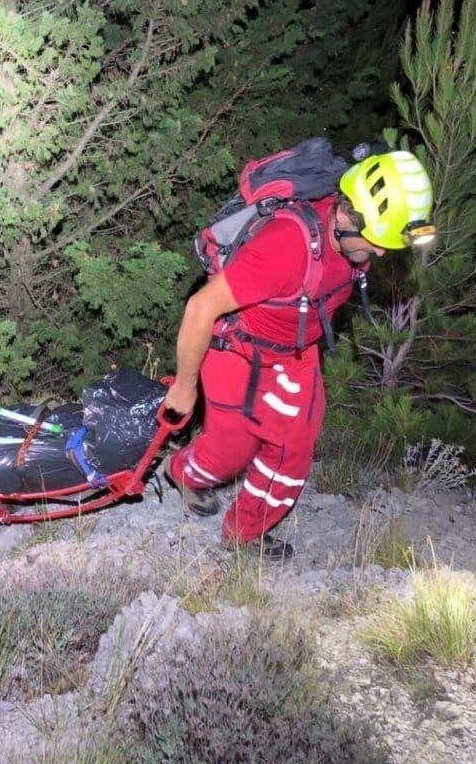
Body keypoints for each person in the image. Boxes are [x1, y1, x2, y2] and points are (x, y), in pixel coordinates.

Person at [161, 149, 435, 560]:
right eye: (376, 242)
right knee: (231, 452)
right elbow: (201, 307)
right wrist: (185, 387)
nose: (380, 254)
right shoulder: (285, 248)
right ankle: (184, 471)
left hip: (296, 352)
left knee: (294, 448)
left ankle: (246, 533)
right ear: (346, 215)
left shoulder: (353, 242)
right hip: (238, 350)